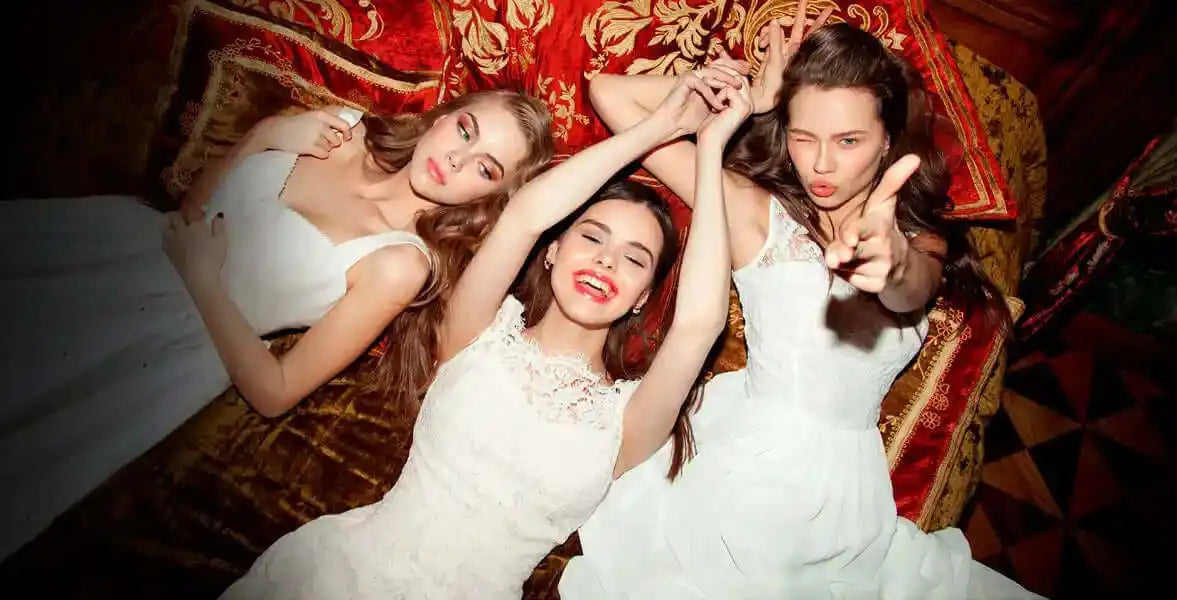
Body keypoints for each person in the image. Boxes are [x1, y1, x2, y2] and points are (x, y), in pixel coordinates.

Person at [560, 9, 1045, 600]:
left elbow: (910, 286)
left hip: (845, 489)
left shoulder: (918, 239)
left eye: (848, 141)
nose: (820, 164)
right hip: (734, 462)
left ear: (889, 138)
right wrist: (755, 92)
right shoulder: (752, 212)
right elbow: (610, 94)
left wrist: (889, 262)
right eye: (803, 135)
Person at [218, 70, 751, 600]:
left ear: (640, 297)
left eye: (635, 259)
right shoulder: (477, 331)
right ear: (551, 250)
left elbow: (698, 326)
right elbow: (523, 216)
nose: (606, 261)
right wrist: (656, 128)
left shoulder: (630, 421)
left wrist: (710, 151)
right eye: (591, 237)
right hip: (335, 578)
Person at [0, 90, 554, 561]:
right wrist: (262, 135)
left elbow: (275, 391)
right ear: (441, 118)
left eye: (485, 167)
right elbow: (192, 216)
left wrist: (204, 281)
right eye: (465, 130)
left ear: (490, 199)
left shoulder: (400, 263)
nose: (456, 160)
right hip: (116, 247)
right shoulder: (343, 127)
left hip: (165, 342)